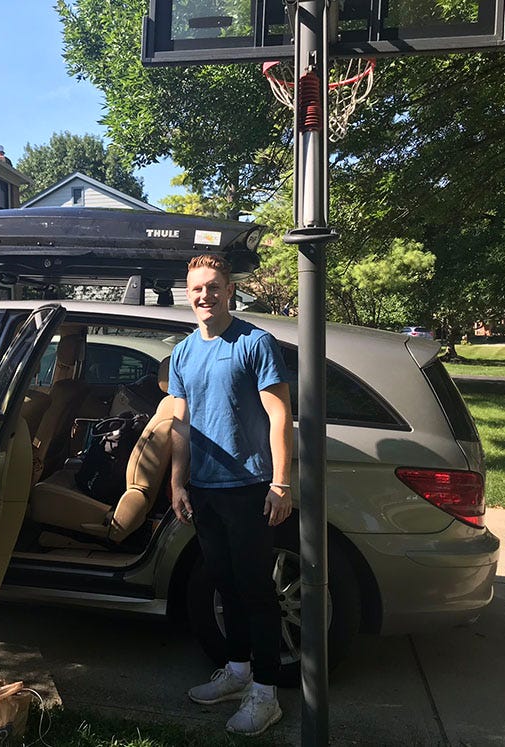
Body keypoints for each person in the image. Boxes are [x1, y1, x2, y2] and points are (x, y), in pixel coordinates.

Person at [168, 254, 294, 737]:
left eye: (214, 287)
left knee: (257, 592)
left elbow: (280, 416)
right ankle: (238, 671)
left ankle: (267, 693)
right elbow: (180, 423)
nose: (205, 295)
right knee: (225, 586)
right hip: (204, 489)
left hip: (249, 488)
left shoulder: (254, 343)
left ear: (229, 290)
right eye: (197, 288)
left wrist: (280, 483)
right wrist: (178, 482)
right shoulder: (182, 353)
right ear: (188, 292)